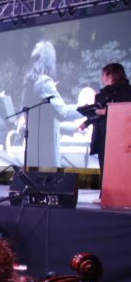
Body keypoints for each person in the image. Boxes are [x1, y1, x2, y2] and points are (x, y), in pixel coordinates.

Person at [18, 40, 83, 168]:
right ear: (50, 60)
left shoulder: (29, 82)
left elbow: (43, 120)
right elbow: (63, 112)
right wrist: (86, 107)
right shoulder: (44, 82)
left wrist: (72, 129)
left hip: (33, 150)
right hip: (46, 152)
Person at [87, 63, 131, 195]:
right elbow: (97, 111)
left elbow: (125, 109)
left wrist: (108, 111)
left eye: (103, 74)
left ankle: (121, 194)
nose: (102, 78)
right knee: (104, 164)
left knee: (121, 166)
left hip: (121, 135)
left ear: (110, 75)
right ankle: (105, 194)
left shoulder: (126, 91)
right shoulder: (103, 93)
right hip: (103, 133)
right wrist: (87, 121)